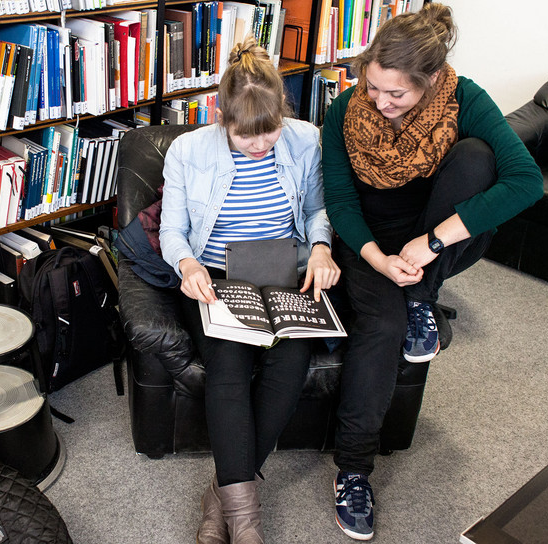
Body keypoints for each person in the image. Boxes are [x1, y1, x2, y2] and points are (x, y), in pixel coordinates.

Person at [320, 3, 543, 540]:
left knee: (475, 157)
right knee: (384, 329)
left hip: (436, 235)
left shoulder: (465, 98)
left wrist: (430, 243)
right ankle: (353, 471)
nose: (380, 101)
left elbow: (526, 181)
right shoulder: (344, 110)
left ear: (433, 80)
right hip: (370, 242)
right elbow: (341, 201)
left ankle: (423, 297)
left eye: (397, 94)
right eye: (373, 86)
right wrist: (377, 257)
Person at [159, 36, 341, 544]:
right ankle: (247, 522)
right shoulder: (188, 150)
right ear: (223, 118)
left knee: (290, 363)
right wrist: (188, 263)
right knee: (229, 369)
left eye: (271, 133)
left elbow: (315, 211)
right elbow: (172, 231)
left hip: (286, 273)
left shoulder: (306, 139)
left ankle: (223, 495)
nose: (261, 145)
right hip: (216, 279)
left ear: (285, 111)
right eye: (247, 137)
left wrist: (322, 247)